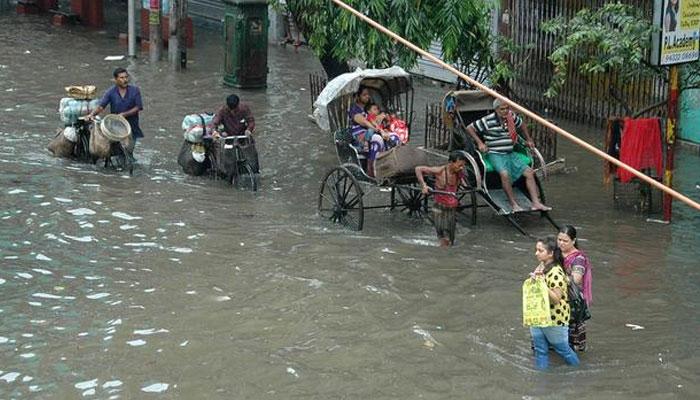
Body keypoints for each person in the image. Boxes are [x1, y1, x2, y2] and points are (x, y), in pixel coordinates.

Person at [466, 98, 550, 212]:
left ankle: (536, 202)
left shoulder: (511, 118)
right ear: (496, 110)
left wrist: (528, 139)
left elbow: (522, 124)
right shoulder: (487, 120)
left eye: (507, 108)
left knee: (529, 172)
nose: (505, 111)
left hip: (510, 153)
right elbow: (469, 128)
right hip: (495, 153)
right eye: (502, 109)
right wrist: (480, 143)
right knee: (504, 174)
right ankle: (513, 203)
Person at [528, 236, 580, 370]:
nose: (536, 253)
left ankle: (578, 371)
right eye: (536, 250)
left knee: (563, 350)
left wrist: (541, 284)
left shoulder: (556, 271)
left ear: (550, 253)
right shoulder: (541, 266)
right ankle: (542, 378)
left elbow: (556, 299)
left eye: (540, 251)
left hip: (555, 318)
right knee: (540, 351)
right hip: (538, 315)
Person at [415, 151, 468, 247]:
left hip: (451, 209)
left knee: (451, 239)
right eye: (459, 165)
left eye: (463, 166)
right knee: (443, 238)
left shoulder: (459, 173)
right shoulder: (440, 171)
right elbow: (418, 169)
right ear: (451, 162)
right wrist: (424, 186)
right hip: (440, 208)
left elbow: (463, 184)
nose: (461, 168)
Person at [557, 224, 593, 352]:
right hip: (556, 299)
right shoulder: (555, 254)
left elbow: (576, 279)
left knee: (572, 343)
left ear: (573, 241)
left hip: (572, 302)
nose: (561, 243)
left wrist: (555, 279)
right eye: (559, 240)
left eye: (565, 241)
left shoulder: (578, 258)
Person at [87, 67, 144, 144]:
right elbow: (101, 106)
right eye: (122, 78)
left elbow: (138, 107)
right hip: (115, 126)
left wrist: (124, 114)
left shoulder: (135, 90)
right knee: (116, 150)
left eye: (126, 77)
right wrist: (92, 114)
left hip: (131, 126)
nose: (125, 80)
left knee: (128, 151)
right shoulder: (111, 92)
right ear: (116, 79)